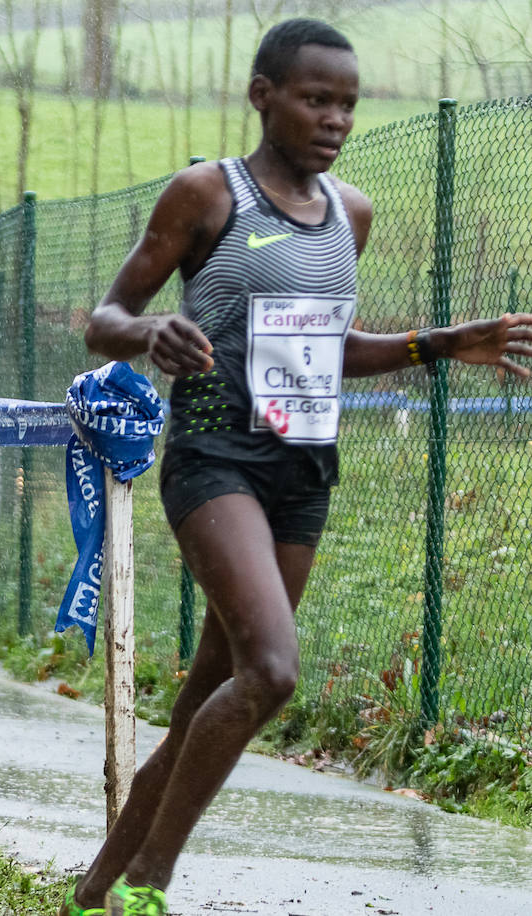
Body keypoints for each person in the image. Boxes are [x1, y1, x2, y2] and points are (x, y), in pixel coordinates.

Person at [65, 19, 532, 916]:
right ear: (263, 96)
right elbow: (107, 315)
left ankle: (90, 897)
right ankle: (146, 889)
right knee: (272, 672)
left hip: (302, 467)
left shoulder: (350, 213)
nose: (336, 119)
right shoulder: (208, 195)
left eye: (348, 104)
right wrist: (149, 331)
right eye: (317, 99)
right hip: (213, 453)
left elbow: (330, 348)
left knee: (216, 688)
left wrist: (440, 344)